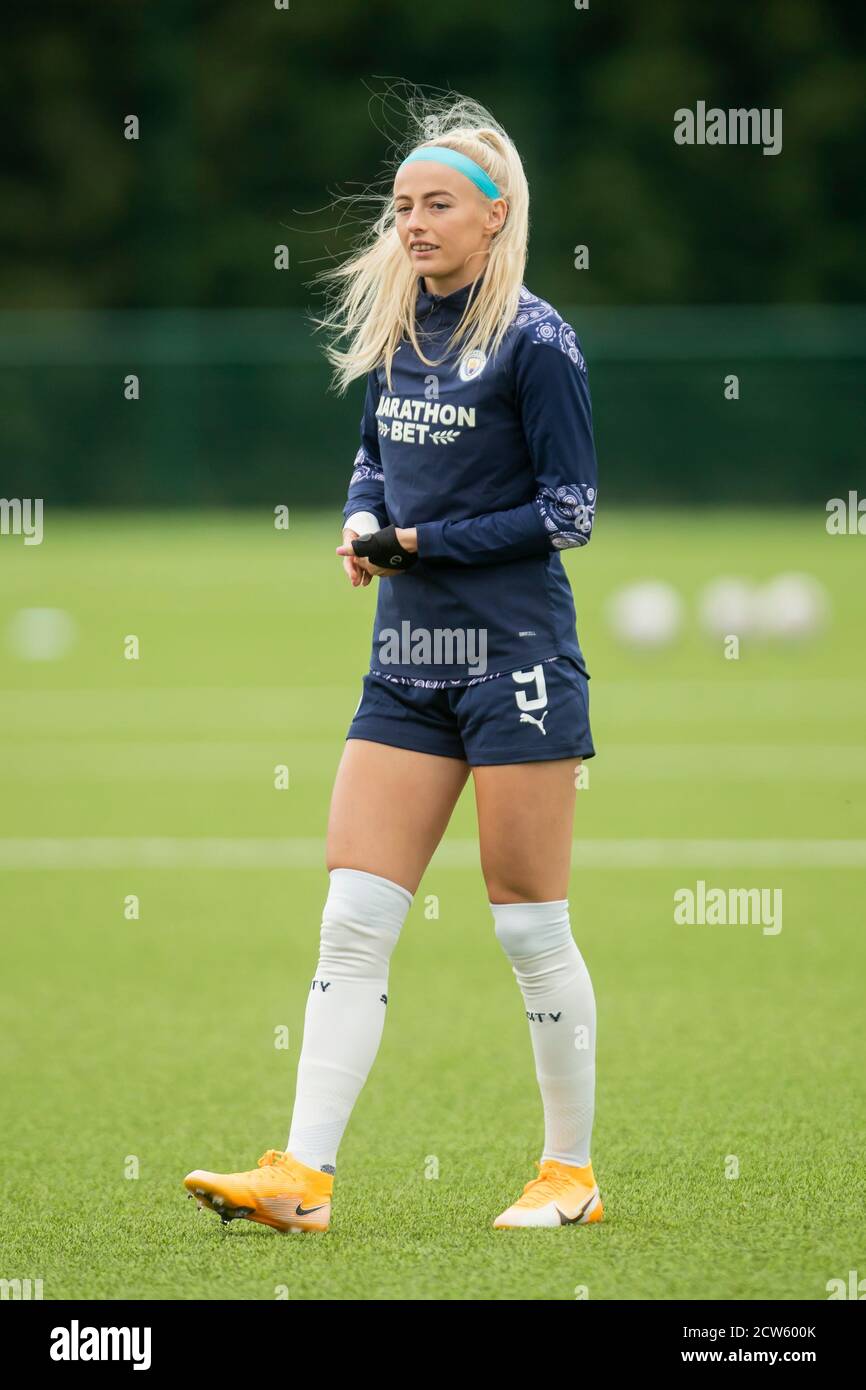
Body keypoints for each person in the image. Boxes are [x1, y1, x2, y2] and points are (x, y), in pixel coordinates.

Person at [184, 95, 602, 1234]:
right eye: (402, 206)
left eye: (435, 206)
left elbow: (568, 510)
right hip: (408, 658)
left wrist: (422, 544)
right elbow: (373, 457)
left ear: (492, 216)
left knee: (526, 926)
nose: (411, 223)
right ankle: (300, 1176)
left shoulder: (536, 339)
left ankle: (568, 1172)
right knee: (352, 920)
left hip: (514, 657)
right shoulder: (399, 329)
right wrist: (363, 520)